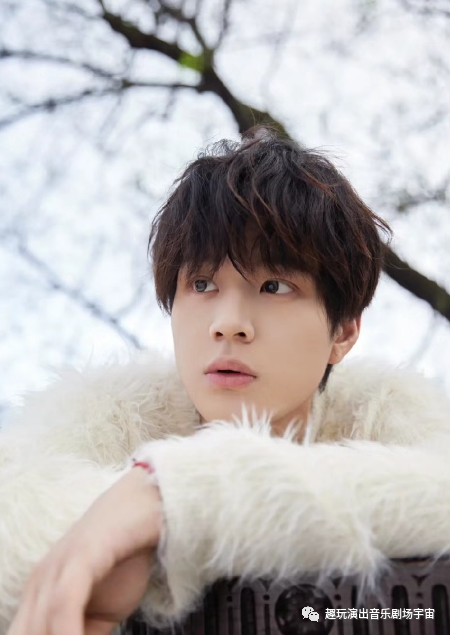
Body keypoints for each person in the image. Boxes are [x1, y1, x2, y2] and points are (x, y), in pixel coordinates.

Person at [2, 127, 450, 635]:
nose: (228, 323)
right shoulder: (93, 427)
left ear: (343, 332)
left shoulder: (395, 425)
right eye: (202, 284)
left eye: (274, 285)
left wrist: (181, 497)